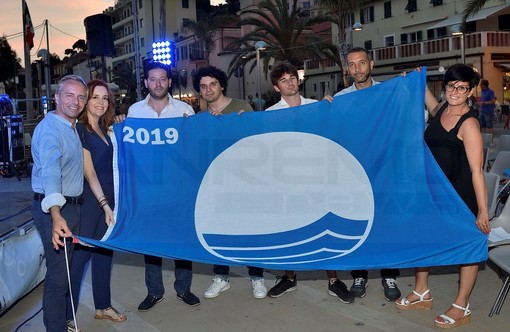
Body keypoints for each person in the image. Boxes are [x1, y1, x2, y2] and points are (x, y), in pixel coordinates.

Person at [396, 64, 490, 329]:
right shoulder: (440, 111)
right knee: (422, 238)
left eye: (462, 87)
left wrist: (482, 210)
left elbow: (476, 171)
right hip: (433, 193)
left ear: (471, 91)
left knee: (467, 249)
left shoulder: (469, 123)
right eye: (451, 86)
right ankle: (422, 292)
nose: (455, 91)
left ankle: (462, 305)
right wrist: (415, 79)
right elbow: (425, 95)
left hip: (460, 196)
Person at [264, 61, 354, 304]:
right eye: (283, 80)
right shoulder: (270, 115)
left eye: (292, 77)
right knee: (290, 231)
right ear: (276, 87)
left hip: (318, 181)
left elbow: (336, 133)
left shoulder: (317, 107)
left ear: (298, 79)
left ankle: (333, 280)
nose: (290, 82)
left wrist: (332, 109)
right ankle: (289, 277)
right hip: (287, 184)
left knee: (324, 229)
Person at [125, 61, 199, 311]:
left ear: (169, 82)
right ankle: (154, 291)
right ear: (146, 82)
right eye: (153, 79)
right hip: (148, 190)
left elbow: (195, 146)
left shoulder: (185, 110)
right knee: (151, 242)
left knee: (182, 241)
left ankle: (184, 289)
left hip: (179, 189)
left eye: (162, 79)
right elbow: (129, 151)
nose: (158, 83)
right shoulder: (134, 112)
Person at [192, 66, 267, 299]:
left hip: (244, 183)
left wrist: (245, 123)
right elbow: (197, 151)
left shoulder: (242, 107)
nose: (208, 89)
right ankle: (221, 276)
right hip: (215, 184)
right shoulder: (200, 119)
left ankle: (257, 277)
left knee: (250, 229)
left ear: (221, 84)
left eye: (212, 84)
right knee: (218, 229)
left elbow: (258, 141)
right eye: (203, 86)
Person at [333, 47, 402, 301]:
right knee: (357, 223)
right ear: (347, 69)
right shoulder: (340, 99)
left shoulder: (388, 92)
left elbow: (407, 119)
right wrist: (326, 111)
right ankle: (359, 273)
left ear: (371, 64)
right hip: (353, 175)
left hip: (385, 171)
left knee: (386, 224)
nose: (358, 69)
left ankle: (389, 274)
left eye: (362, 63)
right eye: (352, 65)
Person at [65, 80, 126, 327]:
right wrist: (104, 205)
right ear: (86, 101)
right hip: (91, 203)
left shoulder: (107, 129)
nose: (101, 103)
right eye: (95, 98)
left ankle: (102, 305)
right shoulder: (81, 131)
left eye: (105, 98)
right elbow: (89, 173)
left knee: (104, 254)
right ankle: (66, 316)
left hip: (109, 201)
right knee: (79, 260)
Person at [31, 75, 87, 332]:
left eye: (80, 96)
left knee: (64, 272)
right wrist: (56, 216)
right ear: (56, 97)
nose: (75, 101)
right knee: (58, 277)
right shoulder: (51, 130)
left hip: (69, 208)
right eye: (69, 95)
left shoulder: (70, 125)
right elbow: (50, 173)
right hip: (54, 210)